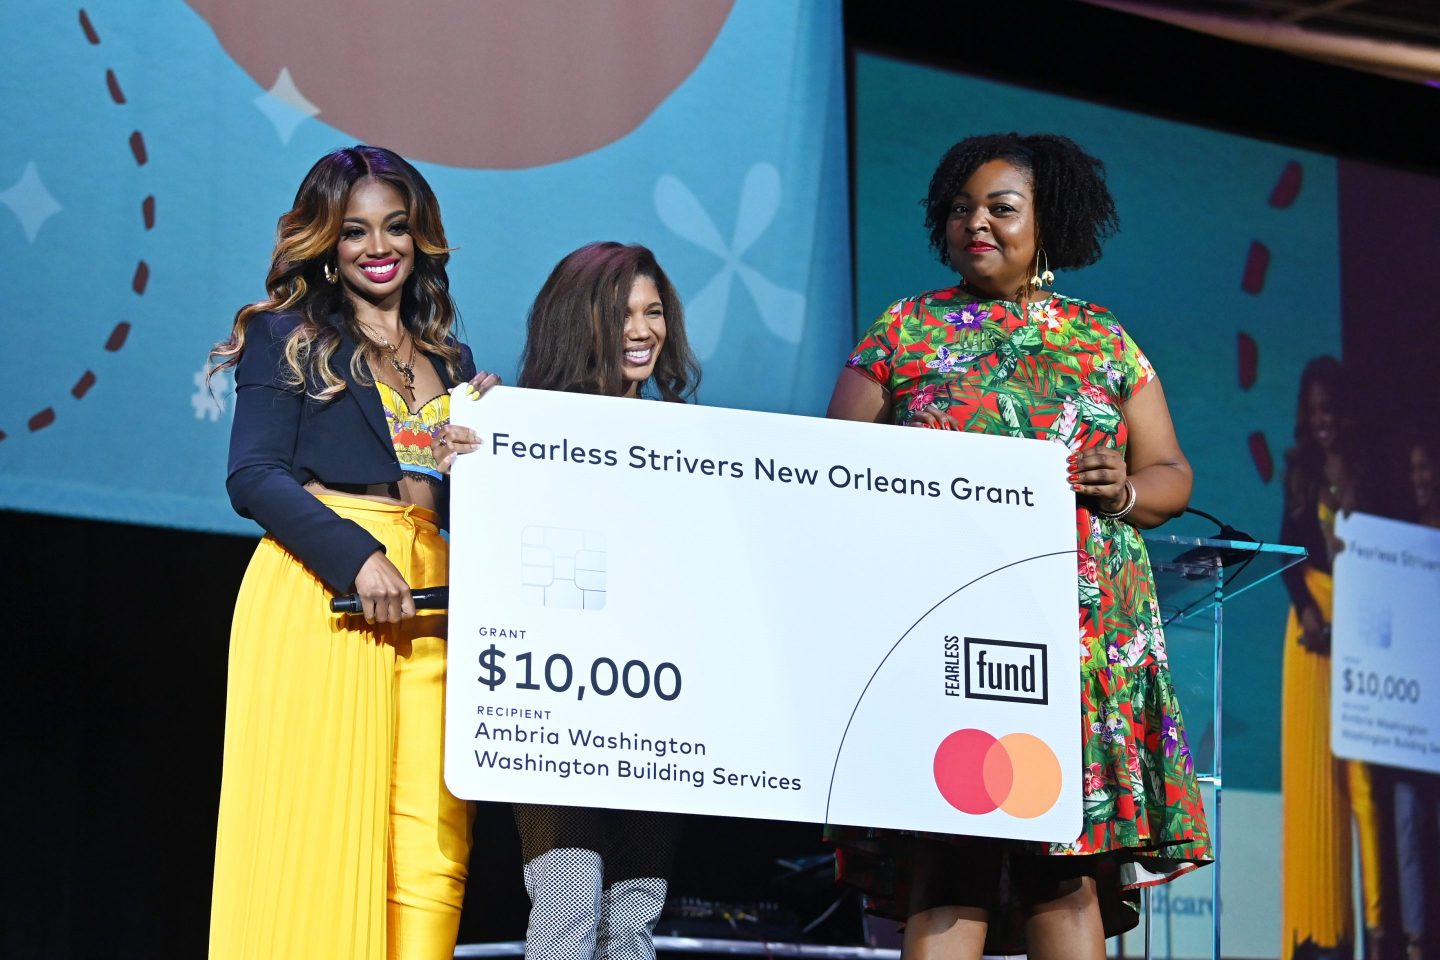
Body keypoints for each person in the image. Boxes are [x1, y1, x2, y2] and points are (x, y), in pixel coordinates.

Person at [825, 132, 1211, 960]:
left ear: (1050, 223)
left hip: (1079, 638)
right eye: (963, 209)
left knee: (1063, 868)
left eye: (1002, 209)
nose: (978, 224)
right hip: (946, 627)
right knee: (950, 849)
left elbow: (1171, 469)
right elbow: (834, 460)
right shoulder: (907, 327)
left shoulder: (1102, 340)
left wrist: (1128, 488)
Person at [206, 145, 498, 960]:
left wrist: (492, 453)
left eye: (396, 228)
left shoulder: (452, 363)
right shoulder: (285, 336)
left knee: (434, 857)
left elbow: (453, 508)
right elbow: (254, 475)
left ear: (420, 238)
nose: (380, 247)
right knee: (324, 840)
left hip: (435, 610)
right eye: (356, 231)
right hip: (325, 603)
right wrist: (357, 555)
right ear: (326, 245)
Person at [509, 241, 700, 960]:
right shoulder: (521, 432)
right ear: (578, 320)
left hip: (656, 707)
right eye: (622, 313)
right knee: (569, 906)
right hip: (554, 708)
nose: (642, 329)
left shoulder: (688, 445)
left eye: (654, 312)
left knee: (632, 920)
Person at [1277, 355, 1389, 960]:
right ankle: (1316, 933)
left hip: (1367, 633)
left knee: (1366, 782)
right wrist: (1315, 616)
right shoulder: (1299, 472)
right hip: (1312, 638)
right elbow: (1290, 557)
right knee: (1314, 778)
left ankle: (1381, 926)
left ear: (1344, 412)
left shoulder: (1373, 472)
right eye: (1312, 411)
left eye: (1329, 410)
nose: (1321, 422)